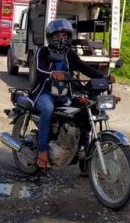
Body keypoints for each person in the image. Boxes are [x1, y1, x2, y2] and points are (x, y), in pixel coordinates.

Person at [30, 18, 111, 168]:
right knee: (47, 109)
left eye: (64, 36)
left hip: (64, 93)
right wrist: (52, 73)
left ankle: (83, 155)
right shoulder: (42, 51)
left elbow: (84, 67)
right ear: (50, 37)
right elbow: (40, 70)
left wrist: (103, 77)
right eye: (57, 36)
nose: (61, 39)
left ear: (69, 38)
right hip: (44, 92)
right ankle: (42, 153)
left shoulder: (70, 54)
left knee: (84, 112)